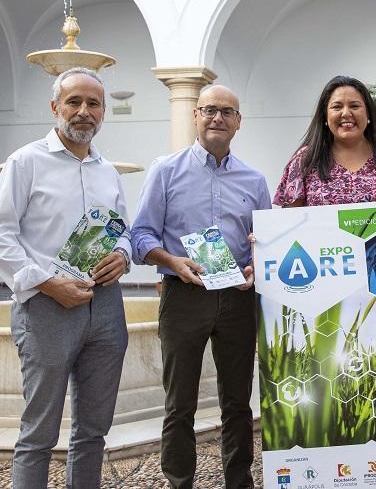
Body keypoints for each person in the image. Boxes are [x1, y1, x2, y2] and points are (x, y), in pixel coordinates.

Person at [0, 67, 132, 489]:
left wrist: (123, 255)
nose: (84, 112)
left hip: (105, 310)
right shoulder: (25, 162)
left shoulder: (107, 171)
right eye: (74, 102)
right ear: (55, 107)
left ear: (103, 112)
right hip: (46, 308)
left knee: (94, 431)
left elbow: (124, 231)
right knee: (38, 434)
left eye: (94, 104)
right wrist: (47, 283)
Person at [129, 85, 270, 489]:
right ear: (195, 115)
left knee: (238, 404)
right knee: (179, 404)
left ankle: (238, 481)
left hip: (238, 299)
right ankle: (179, 481)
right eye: (209, 110)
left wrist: (256, 265)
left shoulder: (254, 180)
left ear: (238, 122)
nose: (217, 118)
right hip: (183, 294)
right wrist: (171, 261)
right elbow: (141, 236)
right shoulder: (165, 170)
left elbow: (263, 239)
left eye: (227, 112)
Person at [273, 75, 376, 207]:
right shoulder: (305, 159)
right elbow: (289, 224)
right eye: (337, 107)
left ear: (369, 114)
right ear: (325, 117)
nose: (346, 113)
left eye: (354, 106)